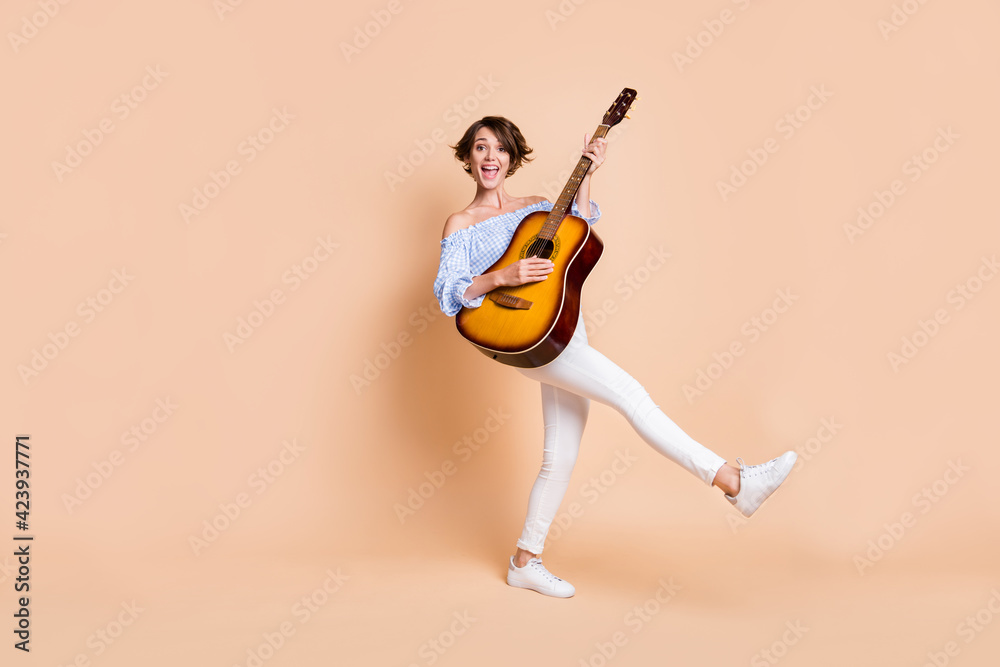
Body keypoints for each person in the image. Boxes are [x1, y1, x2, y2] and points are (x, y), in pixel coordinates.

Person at [433, 115, 797, 598]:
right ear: (468, 157)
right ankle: (732, 480)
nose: (490, 158)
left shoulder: (536, 208)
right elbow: (448, 292)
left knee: (558, 458)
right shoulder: (461, 223)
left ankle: (525, 560)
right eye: (481, 148)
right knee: (631, 395)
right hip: (527, 332)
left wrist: (589, 175)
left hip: (562, 326)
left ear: (513, 157)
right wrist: (503, 276)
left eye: (500, 149)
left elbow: (578, 236)